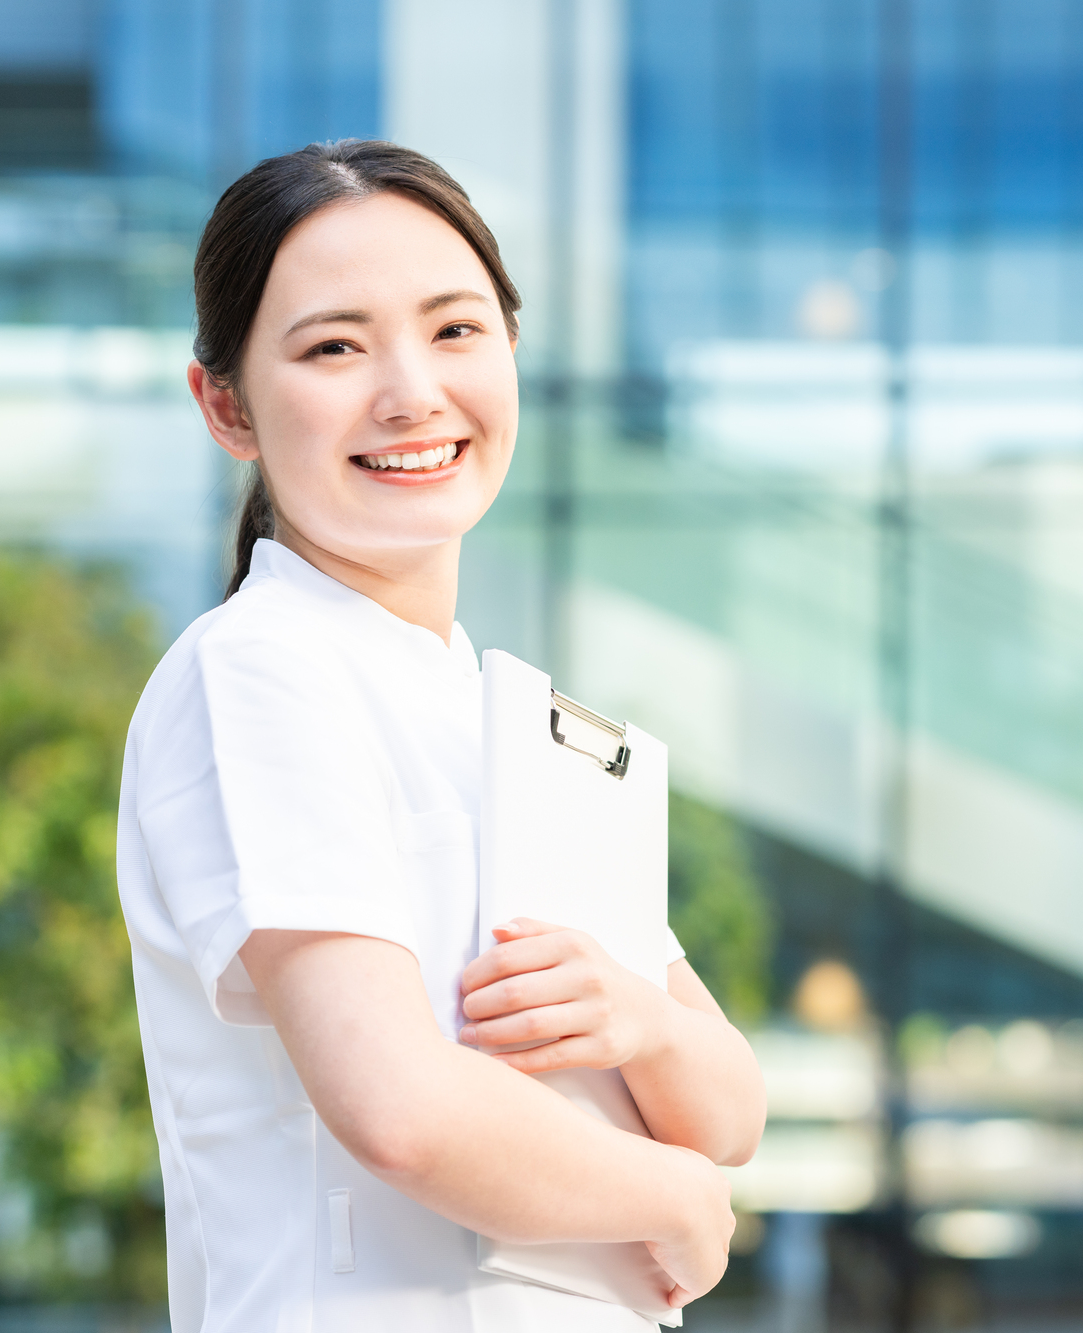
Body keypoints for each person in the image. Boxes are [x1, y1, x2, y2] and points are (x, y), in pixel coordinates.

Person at [115, 140, 766, 1333]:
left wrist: (640, 1021)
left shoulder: (515, 721)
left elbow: (727, 1108)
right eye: (333, 347)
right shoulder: (260, 664)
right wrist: (673, 1194)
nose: (410, 392)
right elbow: (399, 1109)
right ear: (227, 406)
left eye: (455, 330)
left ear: (511, 350)